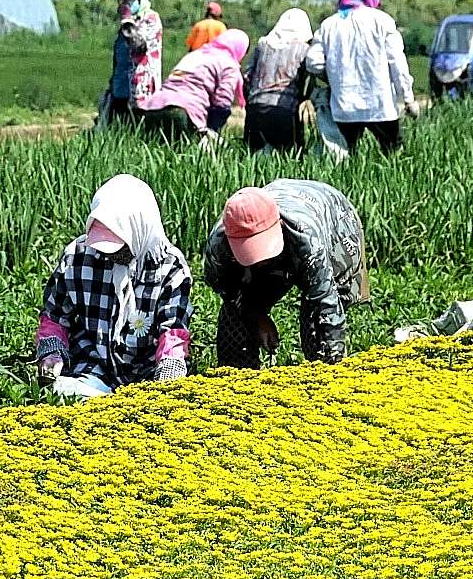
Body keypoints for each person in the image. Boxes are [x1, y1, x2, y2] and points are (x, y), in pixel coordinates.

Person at [35, 174, 193, 399]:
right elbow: (55, 317)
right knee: (67, 398)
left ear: (139, 231)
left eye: (118, 245)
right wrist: (52, 355)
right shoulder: (77, 256)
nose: (109, 253)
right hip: (93, 366)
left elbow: (173, 333)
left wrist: (167, 386)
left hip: (147, 371)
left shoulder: (169, 267)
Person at [203, 180, 370, 369]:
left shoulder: (307, 239)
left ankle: (322, 372)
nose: (260, 260)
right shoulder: (218, 247)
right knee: (235, 316)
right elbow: (230, 294)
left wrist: (333, 369)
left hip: (334, 221)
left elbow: (326, 304)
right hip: (289, 221)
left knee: (316, 324)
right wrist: (257, 316)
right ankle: (237, 376)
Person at [305, 0, 416, 159]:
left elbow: (313, 62)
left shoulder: (330, 24)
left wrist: (333, 75)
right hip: (380, 105)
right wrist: (407, 97)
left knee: (347, 156)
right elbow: (397, 62)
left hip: (344, 106)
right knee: (394, 155)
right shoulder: (383, 21)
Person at [134, 30, 248, 146]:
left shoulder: (196, 54)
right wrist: (212, 128)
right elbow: (222, 102)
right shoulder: (228, 64)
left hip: (153, 108)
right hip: (182, 111)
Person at [242, 8, 314, 154]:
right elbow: (307, 81)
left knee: (253, 157)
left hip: (255, 109)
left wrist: (249, 100)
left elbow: (247, 77)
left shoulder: (263, 45)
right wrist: (304, 98)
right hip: (284, 109)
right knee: (290, 157)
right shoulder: (304, 49)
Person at [98, 0, 163, 129]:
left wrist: (128, 23)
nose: (126, 2)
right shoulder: (124, 25)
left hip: (141, 89)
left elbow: (140, 45)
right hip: (120, 89)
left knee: (137, 128)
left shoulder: (150, 19)